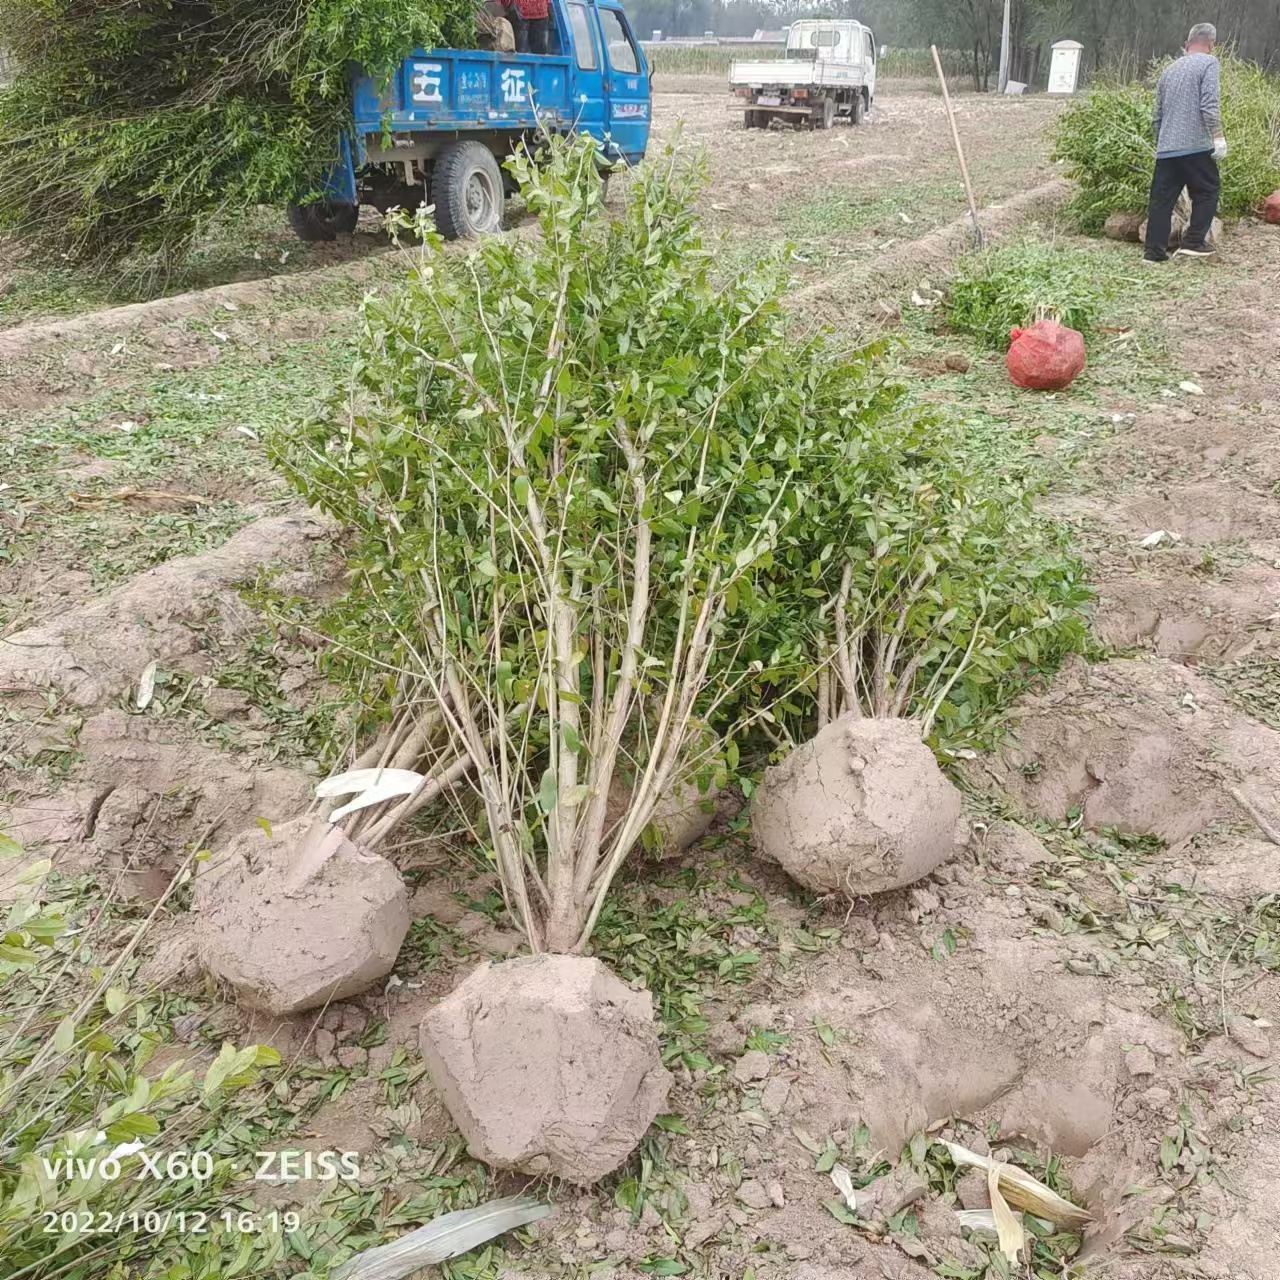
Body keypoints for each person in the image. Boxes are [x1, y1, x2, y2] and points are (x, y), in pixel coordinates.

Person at [1143, 22, 1227, 263]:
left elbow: (1156, 116)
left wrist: (1162, 143)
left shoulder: (1169, 70)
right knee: (1208, 189)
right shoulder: (1209, 63)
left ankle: (1154, 253)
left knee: (1161, 201)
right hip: (1195, 146)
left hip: (1167, 148)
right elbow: (1209, 105)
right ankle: (1193, 242)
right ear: (1211, 44)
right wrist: (1218, 137)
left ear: (1188, 43)